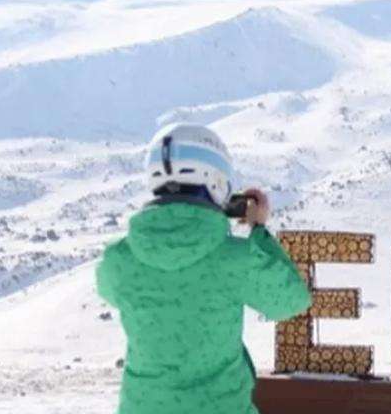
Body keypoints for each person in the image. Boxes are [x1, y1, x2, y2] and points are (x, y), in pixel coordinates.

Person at [97, 123, 312, 414]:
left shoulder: (118, 259)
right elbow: (291, 300)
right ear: (215, 181)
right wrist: (259, 230)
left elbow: (114, 293)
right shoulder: (236, 259)